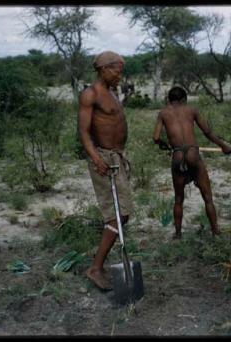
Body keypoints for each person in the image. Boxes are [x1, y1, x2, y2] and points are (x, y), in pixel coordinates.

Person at [78, 51, 133, 290]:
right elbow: (83, 132)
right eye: (116, 71)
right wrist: (96, 157)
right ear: (103, 69)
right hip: (103, 159)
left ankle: (97, 266)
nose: (119, 76)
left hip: (116, 158)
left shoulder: (112, 92)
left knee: (122, 214)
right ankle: (95, 268)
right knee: (117, 215)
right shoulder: (90, 94)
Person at [153, 86, 231, 239]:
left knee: (178, 199)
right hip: (192, 153)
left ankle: (177, 234)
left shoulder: (163, 113)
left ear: (169, 100)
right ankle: (216, 232)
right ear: (184, 99)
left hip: (177, 155)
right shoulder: (192, 110)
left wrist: (166, 146)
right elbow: (207, 132)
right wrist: (223, 146)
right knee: (207, 197)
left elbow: (156, 138)